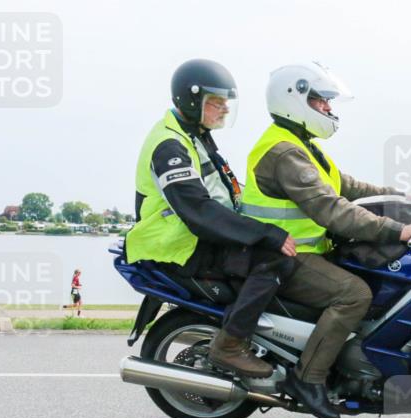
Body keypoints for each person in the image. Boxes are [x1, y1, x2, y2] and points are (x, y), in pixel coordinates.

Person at [241, 61, 411, 418]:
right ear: (294, 100)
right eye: (321, 101)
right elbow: (332, 209)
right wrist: (398, 229)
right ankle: (307, 378)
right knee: (355, 294)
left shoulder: (300, 144)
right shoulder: (284, 152)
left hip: (299, 250)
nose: (328, 108)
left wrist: (406, 197)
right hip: (283, 256)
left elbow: (346, 185)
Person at [126, 59, 297, 378]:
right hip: (178, 247)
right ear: (192, 101)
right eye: (216, 102)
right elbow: (198, 211)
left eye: (226, 102)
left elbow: (223, 190)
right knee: (274, 259)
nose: (225, 110)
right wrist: (265, 233)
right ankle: (231, 344)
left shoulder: (193, 134)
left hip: (194, 239)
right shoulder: (169, 144)